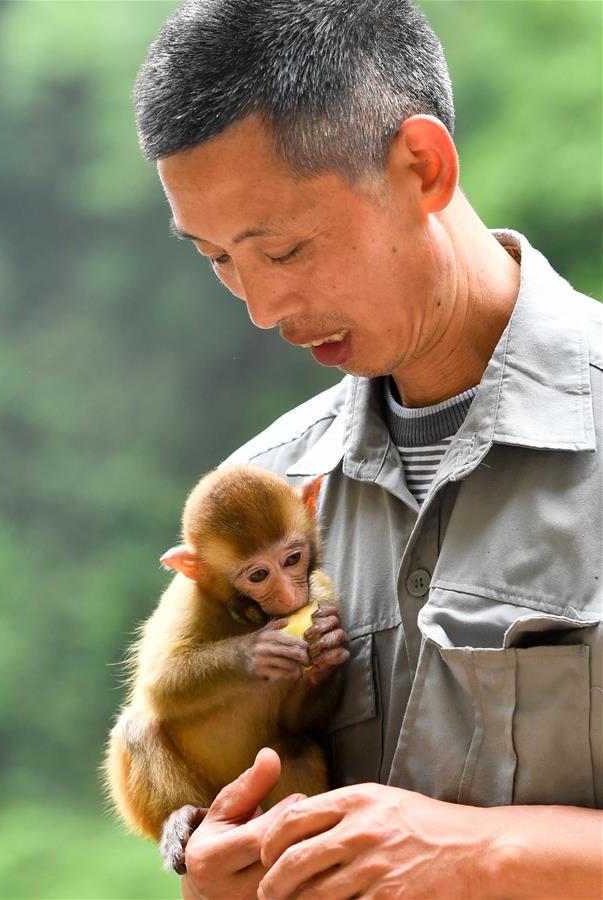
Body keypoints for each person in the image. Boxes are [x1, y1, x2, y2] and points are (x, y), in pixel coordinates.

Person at [133, 1, 603, 896]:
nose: (261, 308)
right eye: (217, 259)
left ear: (420, 167)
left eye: (283, 249)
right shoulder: (268, 489)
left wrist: (482, 855)